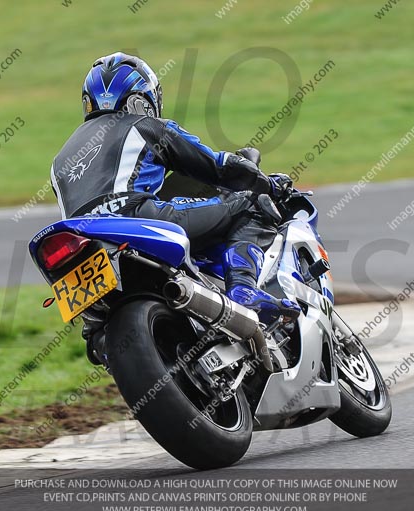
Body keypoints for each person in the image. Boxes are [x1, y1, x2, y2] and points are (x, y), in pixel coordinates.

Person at [50, 52, 299, 324]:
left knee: (97, 327)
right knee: (252, 206)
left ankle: (96, 330)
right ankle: (243, 288)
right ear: (143, 98)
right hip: (134, 217)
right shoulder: (146, 126)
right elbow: (216, 166)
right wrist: (265, 183)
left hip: (80, 238)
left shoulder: (59, 159)